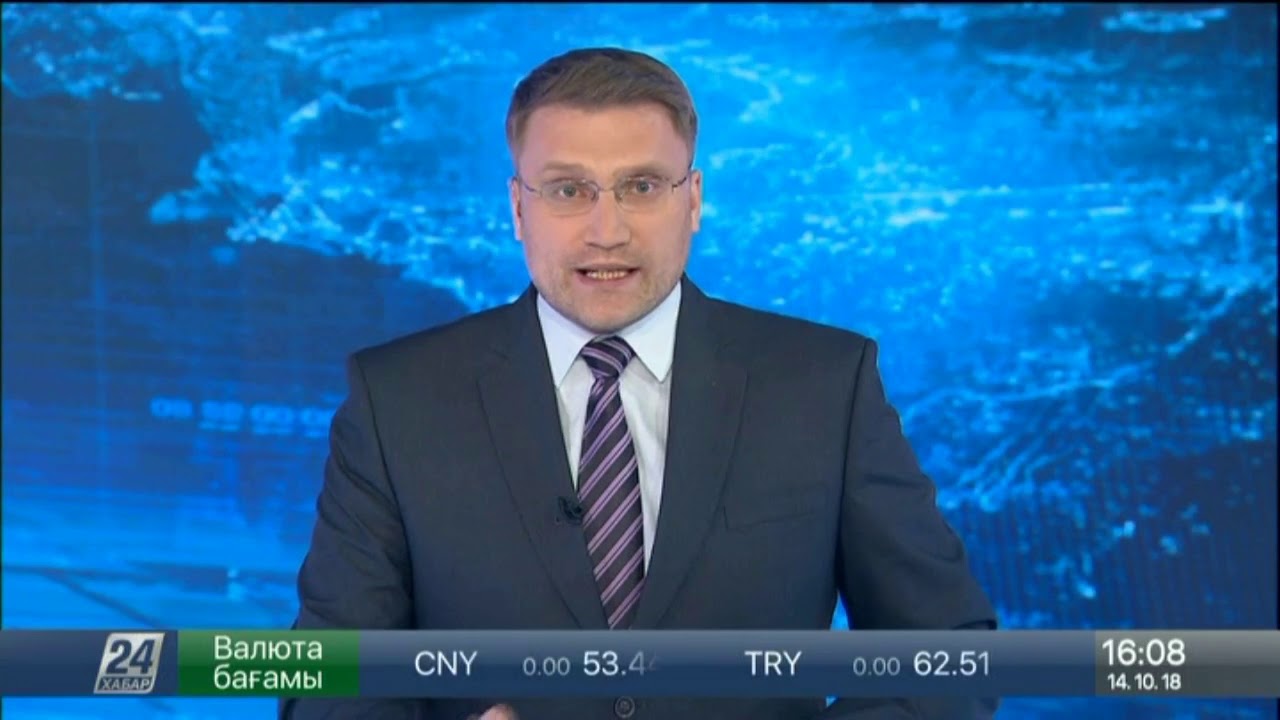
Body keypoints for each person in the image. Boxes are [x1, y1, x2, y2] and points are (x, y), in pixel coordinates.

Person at [282, 47, 999, 720]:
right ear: (518, 208)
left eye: (642, 186)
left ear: (693, 200)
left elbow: (948, 652)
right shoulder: (396, 400)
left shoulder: (825, 386)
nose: (607, 230)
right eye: (568, 190)